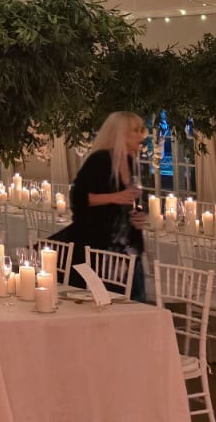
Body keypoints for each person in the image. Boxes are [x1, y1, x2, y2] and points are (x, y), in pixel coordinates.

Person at [57, 111, 148, 301]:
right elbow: (79, 198)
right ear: (120, 134)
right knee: (107, 303)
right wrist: (116, 197)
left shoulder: (132, 163)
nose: (142, 135)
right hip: (101, 250)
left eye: (142, 130)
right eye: (136, 130)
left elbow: (129, 203)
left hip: (128, 248)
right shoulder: (100, 161)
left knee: (136, 303)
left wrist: (138, 216)